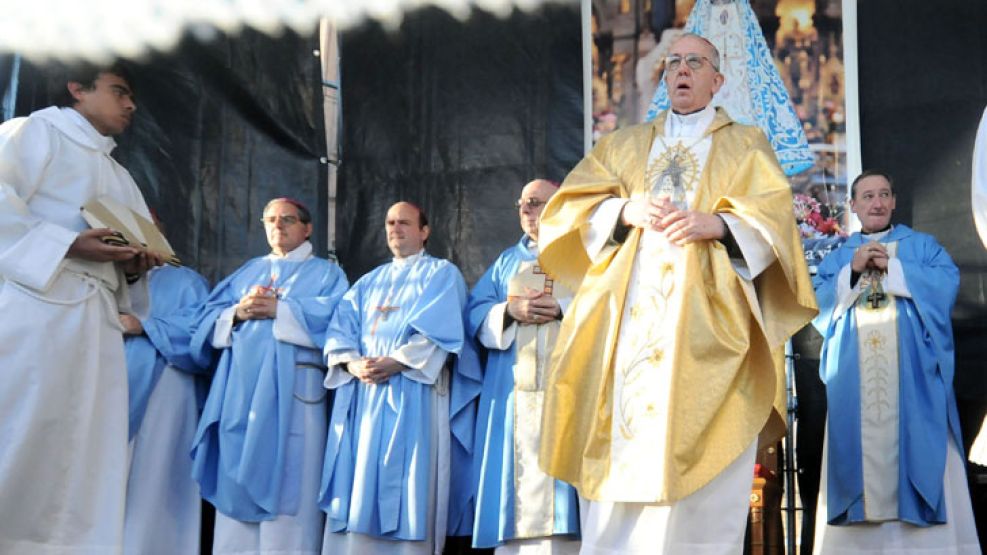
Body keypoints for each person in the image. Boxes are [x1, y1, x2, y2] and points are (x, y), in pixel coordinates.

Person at [535, 33, 817, 553]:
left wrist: (722, 223)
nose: (682, 70)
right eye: (674, 62)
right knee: (619, 440)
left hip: (708, 325)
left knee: (704, 452)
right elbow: (565, 211)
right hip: (625, 326)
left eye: (695, 62)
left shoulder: (744, 143)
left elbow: (775, 217)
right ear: (664, 77)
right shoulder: (623, 144)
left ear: (717, 79)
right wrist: (622, 212)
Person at [0, 62, 165, 554]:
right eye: (119, 91)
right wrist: (68, 244)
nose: (130, 105)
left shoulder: (120, 175)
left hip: (95, 324)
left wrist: (137, 263)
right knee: (24, 432)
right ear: (77, 88)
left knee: (90, 449)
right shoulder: (33, 132)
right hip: (37, 310)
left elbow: (130, 264)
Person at [812, 171, 980, 553]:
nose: (877, 202)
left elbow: (946, 285)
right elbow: (815, 305)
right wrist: (852, 271)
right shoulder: (840, 255)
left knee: (923, 449)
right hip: (855, 386)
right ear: (852, 206)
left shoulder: (921, 247)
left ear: (894, 201)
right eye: (867, 196)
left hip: (914, 382)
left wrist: (896, 268)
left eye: (884, 194)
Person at [190, 198, 348, 554]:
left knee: (290, 488)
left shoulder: (326, 274)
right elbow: (203, 322)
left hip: (294, 395)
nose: (278, 226)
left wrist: (283, 310)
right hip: (240, 397)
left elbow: (339, 321)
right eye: (271, 220)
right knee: (236, 489)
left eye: (287, 219)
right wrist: (236, 313)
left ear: (307, 228)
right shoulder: (248, 271)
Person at [319, 201, 469, 555]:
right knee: (358, 483)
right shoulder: (368, 282)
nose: (395, 229)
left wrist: (398, 361)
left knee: (410, 485)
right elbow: (340, 329)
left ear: (424, 231)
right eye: (389, 222)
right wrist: (352, 364)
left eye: (404, 222)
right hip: (366, 397)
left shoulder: (441, 274)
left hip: (414, 392)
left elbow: (443, 329)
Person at [466, 179, 580, 553]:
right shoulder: (506, 262)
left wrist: (563, 307)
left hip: (567, 383)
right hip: (514, 389)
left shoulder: (582, 252)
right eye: (522, 204)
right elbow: (476, 312)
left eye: (536, 202)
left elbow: (604, 302)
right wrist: (508, 311)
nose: (526, 210)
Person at [122, 261, 211, 555]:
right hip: (108, 389)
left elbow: (201, 332)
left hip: (166, 394)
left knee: (155, 480)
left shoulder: (185, 281)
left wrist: (145, 327)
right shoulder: (94, 276)